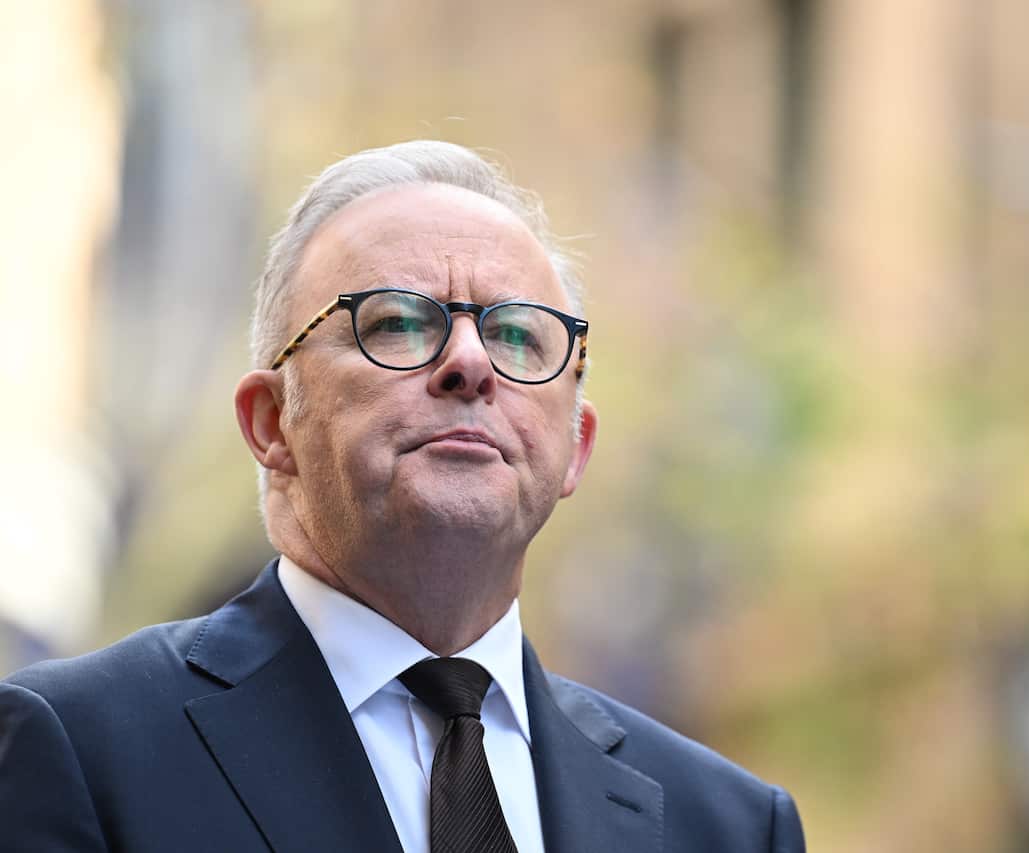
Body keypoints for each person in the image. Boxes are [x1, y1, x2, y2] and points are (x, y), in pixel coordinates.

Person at [0, 141, 805, 852]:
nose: (471, 362)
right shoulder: (76, 748)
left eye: (518, 335)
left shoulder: (728, 825)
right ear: (273, 420)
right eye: (397, 323)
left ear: (575, 447)